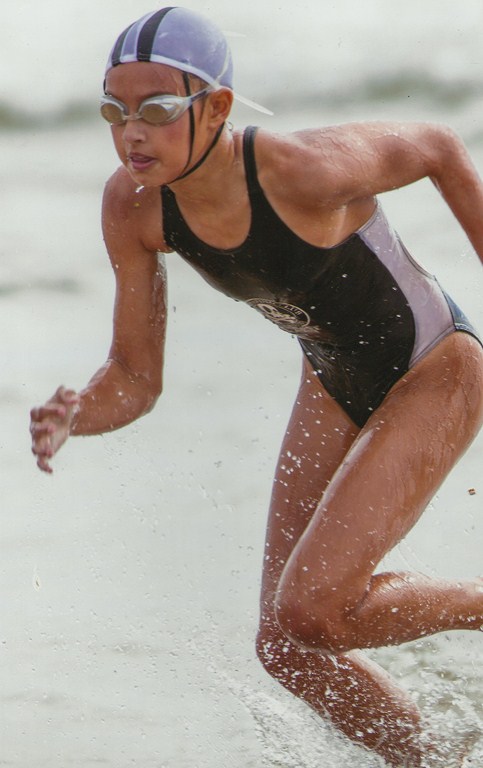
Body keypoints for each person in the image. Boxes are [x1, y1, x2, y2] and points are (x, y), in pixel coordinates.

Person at [29, 7, 483, 766]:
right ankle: (430, 760)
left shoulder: (299, 169)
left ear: (217, 108)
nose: (132, 132)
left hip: (435, 366)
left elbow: (437, 147)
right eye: (115, 110)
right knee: (287, 645)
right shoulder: (134, 208)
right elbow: (136, 379)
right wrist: (79, 414)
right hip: (332, 375)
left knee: (312, 609)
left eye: (158, 110)